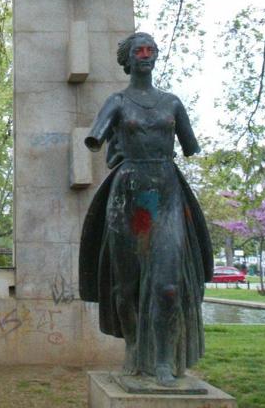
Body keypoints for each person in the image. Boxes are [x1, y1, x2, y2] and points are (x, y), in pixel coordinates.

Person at [78, 32, 213, 386]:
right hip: (128, 196)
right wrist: (114, 149)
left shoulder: (172, 104)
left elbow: (189, 145)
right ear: (127, 59)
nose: (145, 55)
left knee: (167, 285)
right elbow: (97, 139)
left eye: (150, 50)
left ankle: (164, 359)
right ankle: (135, 346)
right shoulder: (118, 102)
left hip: (166, 193)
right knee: (127, 286)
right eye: (138, 50)